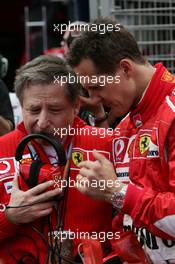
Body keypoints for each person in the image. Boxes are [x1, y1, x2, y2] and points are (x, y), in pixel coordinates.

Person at [67, 17, 175, 263]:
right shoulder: (125, 128)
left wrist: (116, 191)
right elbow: (131, 224)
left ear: (125, 68)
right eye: (87, 91)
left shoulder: (172, 112)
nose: (93, 100)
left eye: (97, 87)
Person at [0, 55, 116, 263]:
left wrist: (114, 193)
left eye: (54, 110)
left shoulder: (107, 144)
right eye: (34, 110)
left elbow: (137, 217)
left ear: (76, 106)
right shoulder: (2, 149)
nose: (43, 122)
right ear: (20, 105)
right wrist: (8, 218)